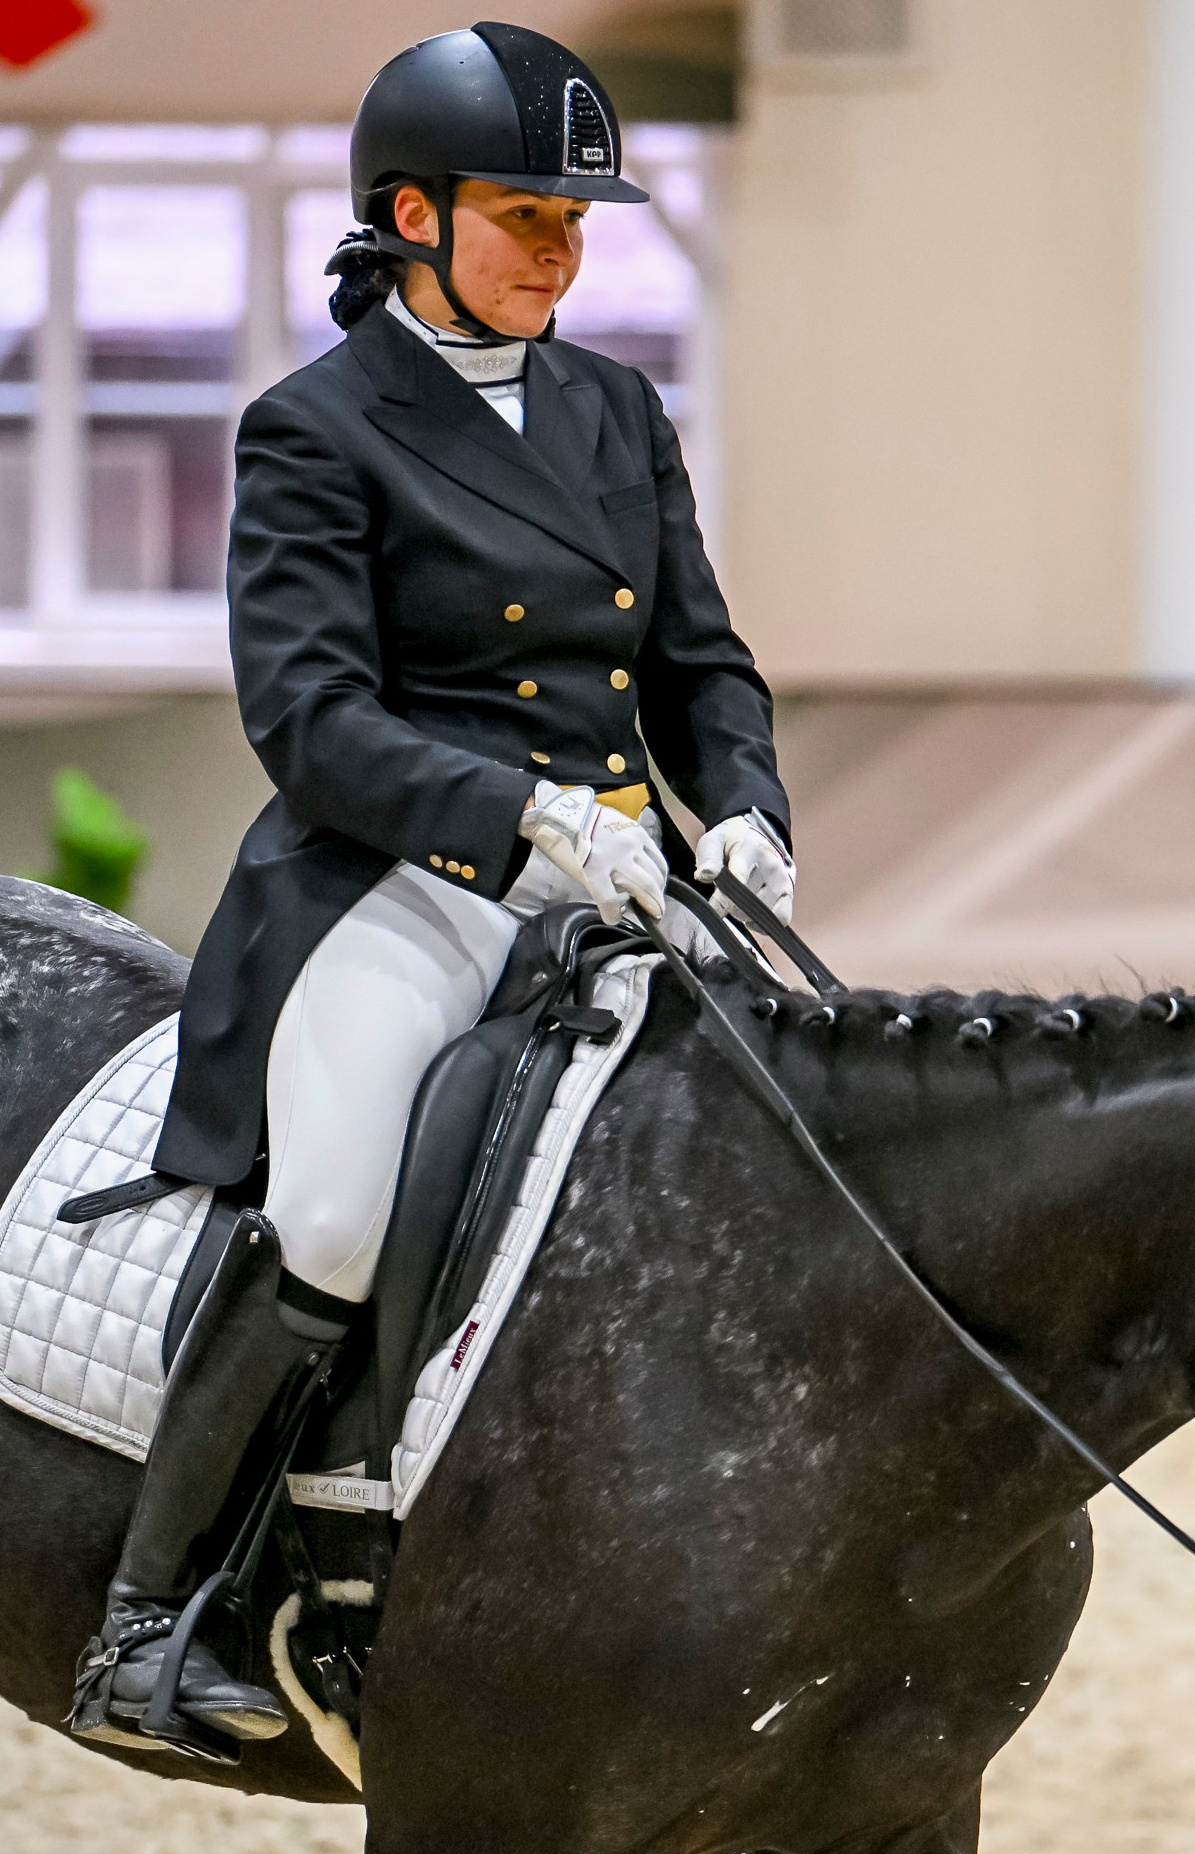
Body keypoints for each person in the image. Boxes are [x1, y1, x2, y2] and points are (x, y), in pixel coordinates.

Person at [70, 21, 793, 1760]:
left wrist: (747, 807)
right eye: (526, 213)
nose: (563, 246)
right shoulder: (312, 430)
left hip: (633, 864)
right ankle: (154, 1617)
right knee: (329, 1212)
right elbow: (308, 719)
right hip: (415, 873)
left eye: (577, 219)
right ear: (410, 212)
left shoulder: (617, 406)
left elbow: (700, 658)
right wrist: (527, 818)